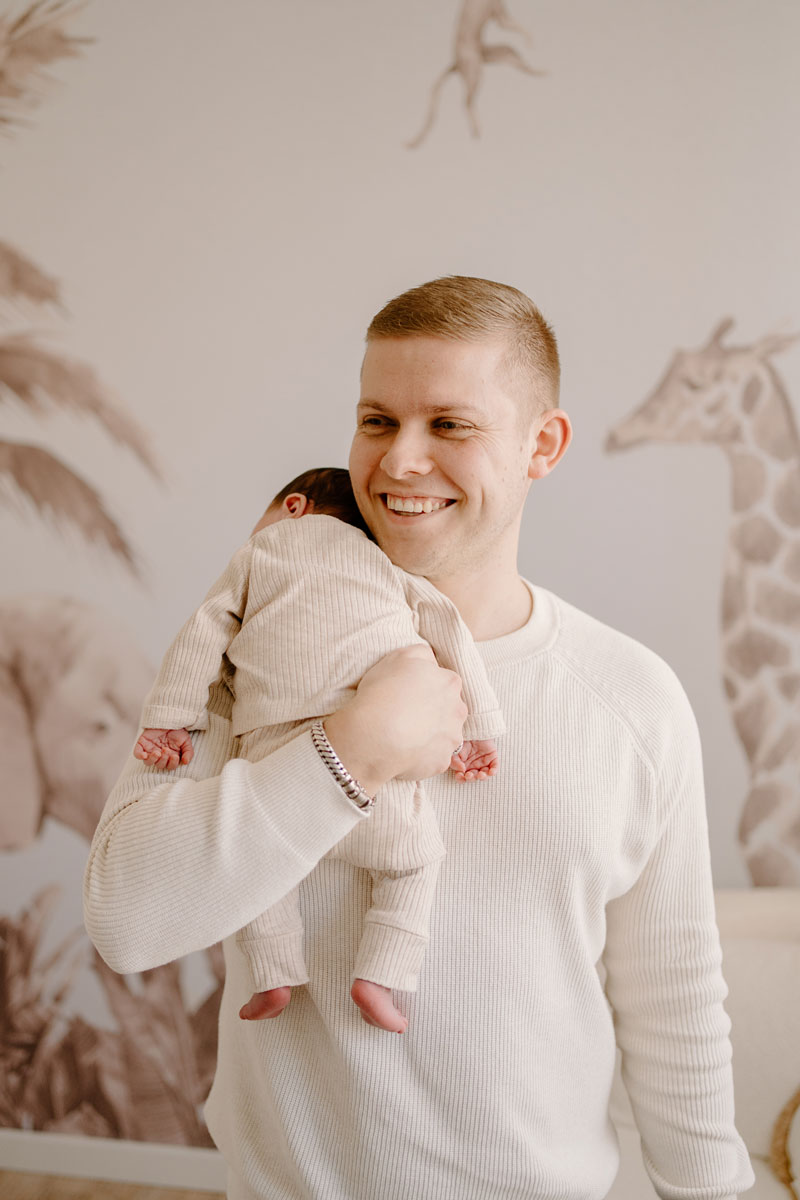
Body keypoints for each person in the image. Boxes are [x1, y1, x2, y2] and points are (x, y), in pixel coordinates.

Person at [85, 276, 754, 1200]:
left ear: (541, 445)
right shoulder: (248, 662)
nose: (399, 461)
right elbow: (124, 922)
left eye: (449, 425)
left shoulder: (630, 701)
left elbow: (673, 1001)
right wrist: (348, 753)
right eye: (375, 420)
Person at [132, 465, 502, 1033]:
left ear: (295, 507)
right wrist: (478, 727)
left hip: (274, 761)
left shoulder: (259, 555)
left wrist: (169, 719)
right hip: (384, 781)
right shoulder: (387, 566)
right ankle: (379, 976)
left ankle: (274, 973)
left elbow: (204, 631)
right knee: (415, 865)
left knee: (261, 872)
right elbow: (447, 628)